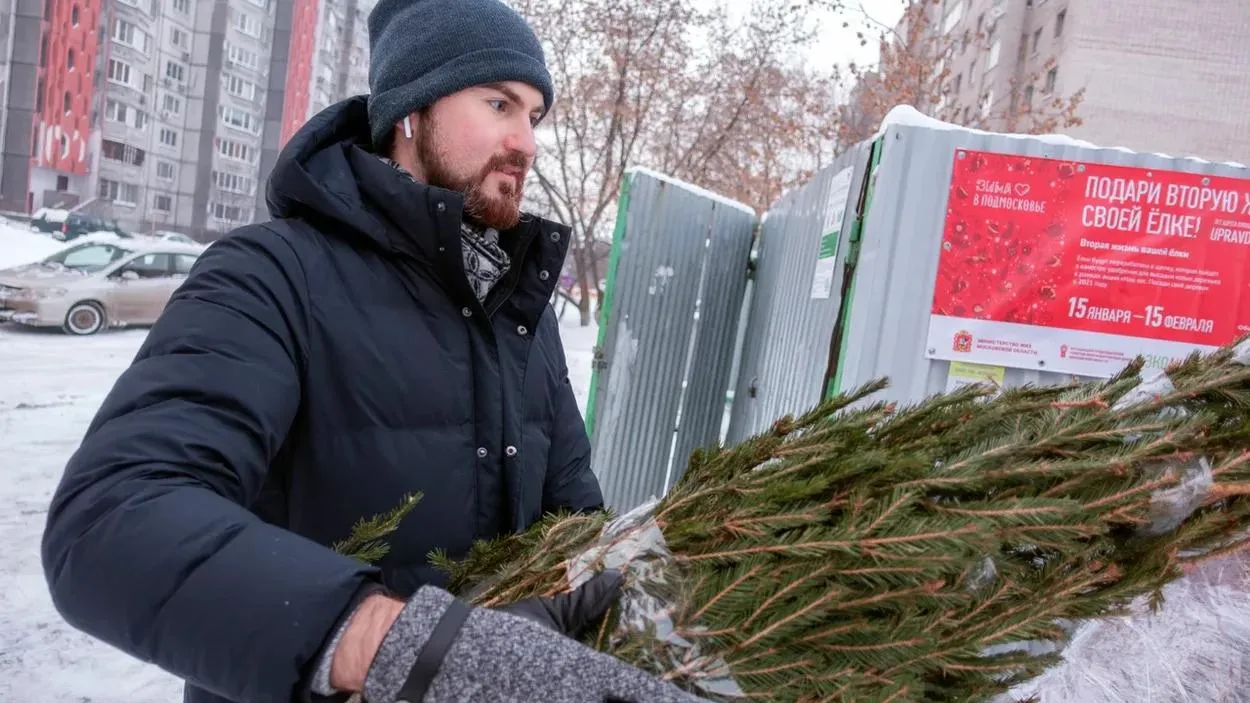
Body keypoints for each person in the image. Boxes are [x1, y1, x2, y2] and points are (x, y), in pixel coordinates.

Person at [40, 1, 706, 701]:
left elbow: (573, 517)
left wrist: (666, 622)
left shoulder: (519, 313)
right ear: (410, 112)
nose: (526, 141)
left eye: (533, 115)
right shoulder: (272, 275)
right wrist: (397, 647)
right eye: (499, 103)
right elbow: (111, 519)